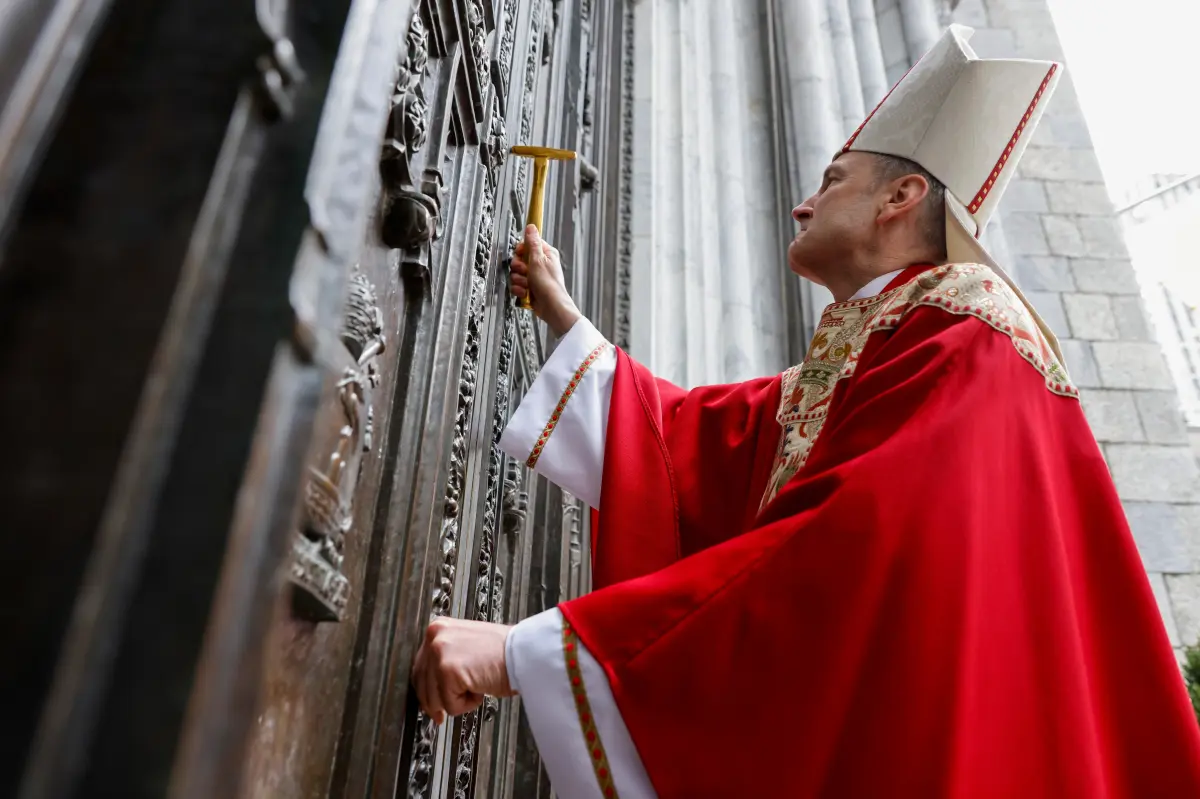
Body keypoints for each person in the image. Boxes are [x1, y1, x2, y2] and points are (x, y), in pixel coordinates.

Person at [411, 25, 1200, 797]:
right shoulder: (885, 339)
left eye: (832, 180)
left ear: (900, 197)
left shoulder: (970, 338)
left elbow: (850, 546)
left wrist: (525, 652)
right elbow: (694, 443)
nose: (801, 204)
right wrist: (566, 321)